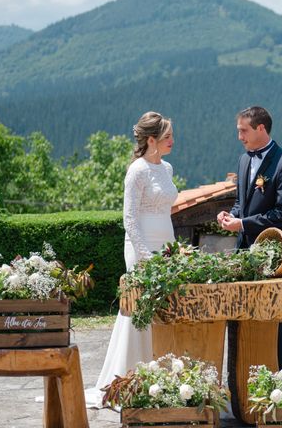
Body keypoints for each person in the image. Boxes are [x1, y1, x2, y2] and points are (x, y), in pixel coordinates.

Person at [85, 111, 177, 407]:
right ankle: (130, 376)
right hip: (141, 248)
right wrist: (145, 255)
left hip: (167, 243)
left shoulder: (168, 168)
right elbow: (130, 218)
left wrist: (170, 250)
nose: (172, 141)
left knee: (166, 307)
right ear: (151, 140)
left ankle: (163, 373)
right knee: (139, 309)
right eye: (167, 137)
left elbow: (166, 207)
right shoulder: (136, 170)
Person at [217, 105, 282, 367]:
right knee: (245, 311)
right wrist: (230, 215)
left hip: (274, 252)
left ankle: (280, 369)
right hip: (245, 250)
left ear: (261, 128)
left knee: (277, 314)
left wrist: (242, 224)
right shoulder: (243, 160)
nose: (240, 136)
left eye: (244, 131)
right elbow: (242, 202)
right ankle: (244, 369)